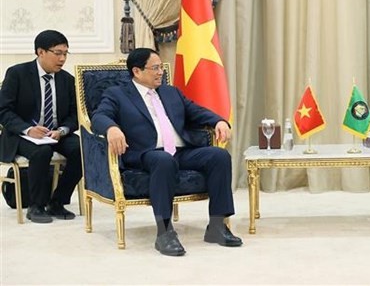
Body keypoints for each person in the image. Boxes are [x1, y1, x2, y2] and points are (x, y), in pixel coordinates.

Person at [91, 47, 242, 256]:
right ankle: (164, 232)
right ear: (137, 71)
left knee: (219, 156)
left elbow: (196, 112)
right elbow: (99, 116)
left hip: (180, 151)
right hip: (146, 153)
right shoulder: (118, 94)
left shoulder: (171, 92)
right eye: (155, 68)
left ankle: (217, 226)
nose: (161, 72)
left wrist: (219, 121)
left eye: (161, 67)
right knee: (163, 160)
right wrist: (111, 128)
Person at [0, 30, 83, 223]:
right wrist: (28, 130)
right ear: (40, 52)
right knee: (42, 151)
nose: (62, 59)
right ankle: (36, 206)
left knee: (82, 149)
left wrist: (62, 131)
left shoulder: (67, 80)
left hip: (54, 133)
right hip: (21, 134)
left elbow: (74, 115)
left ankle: (57, 201)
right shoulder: (17, 74)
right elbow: (3, 110)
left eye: (65, 53)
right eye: (58, 53)